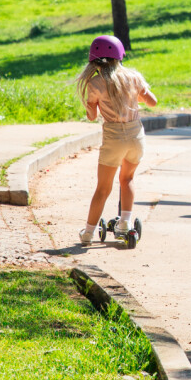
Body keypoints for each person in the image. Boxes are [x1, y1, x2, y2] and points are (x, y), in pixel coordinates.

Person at [76, 35, 157, 245]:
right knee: (127, 179)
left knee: (103, 188)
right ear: (119, 55)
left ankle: (88, 233)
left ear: (94, 60)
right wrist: (135, 96)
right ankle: (125, 223)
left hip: (113, 137)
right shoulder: (133, 77)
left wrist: (91, 105)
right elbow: (153, 102)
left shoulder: (94, 83)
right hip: (136, 136)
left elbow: (92, 116)